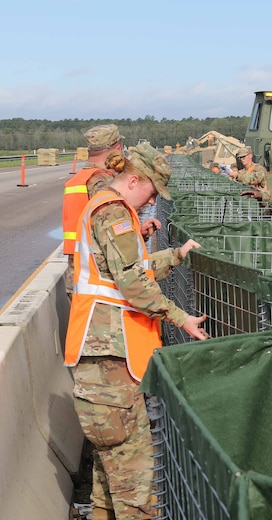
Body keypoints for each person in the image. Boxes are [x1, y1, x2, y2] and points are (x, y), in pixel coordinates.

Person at [64, 143, 210, 519]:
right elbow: (132, 285)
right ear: (134, 180)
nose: (151, 203)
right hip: (110, 363)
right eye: (151, 193)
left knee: (109, 474)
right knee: (136, 482)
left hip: (103, 363)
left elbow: (132, 268)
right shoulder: (114, 212)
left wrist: (177, 255)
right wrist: (180, 318)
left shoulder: (107, 209)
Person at [63, 125, 161, 297]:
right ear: (117, 148)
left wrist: (137, 232)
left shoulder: (79, 179)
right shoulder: (102, 183)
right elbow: (111, 232)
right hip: (99, 277)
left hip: (79, 269)